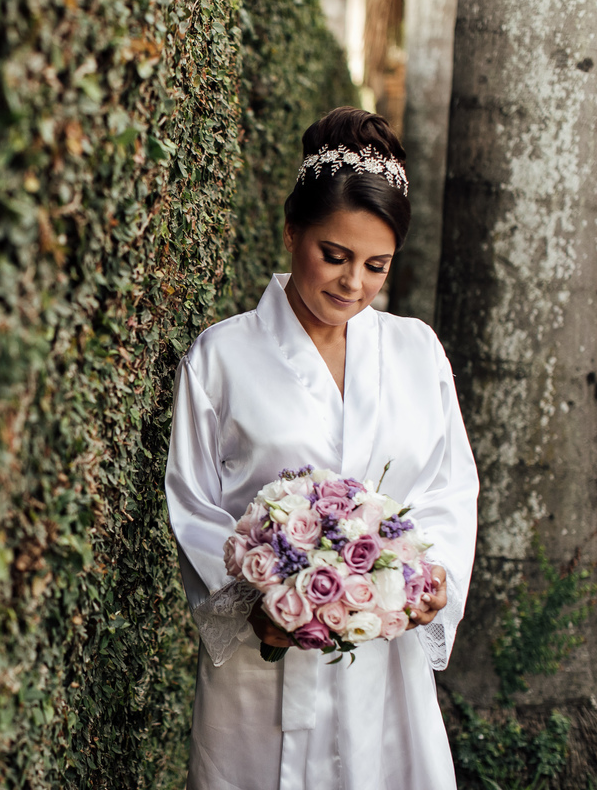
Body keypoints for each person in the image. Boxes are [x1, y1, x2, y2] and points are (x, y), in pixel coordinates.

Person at [164, 107, 479, 790]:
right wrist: (256, 606)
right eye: (333, 255)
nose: (352, 284)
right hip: (261, 663)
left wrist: (429, 584)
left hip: (381, 658)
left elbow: (450, 490)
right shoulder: (222, 356)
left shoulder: (416, 351)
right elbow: (192, 501)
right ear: (290, 231)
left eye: (376, 265)